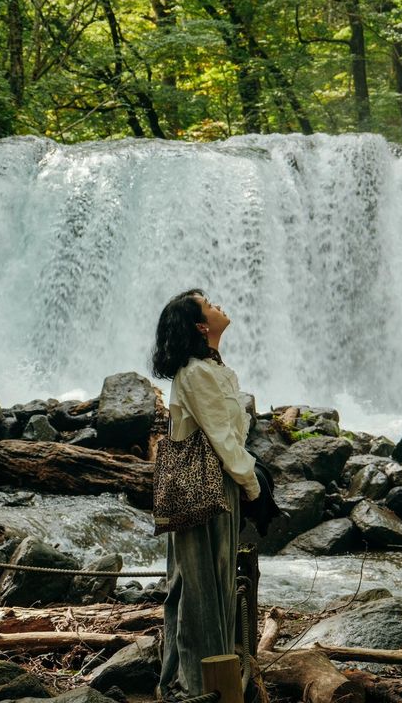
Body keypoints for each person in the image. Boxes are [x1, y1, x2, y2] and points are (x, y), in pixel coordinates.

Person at [152, 288, 260, 702]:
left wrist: (244, 480)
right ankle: (196, 686)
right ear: (201, 326)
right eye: (209, 305)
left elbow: (233, 431)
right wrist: (251, 484)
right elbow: (221, 438)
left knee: (212, 581)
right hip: (203, 489)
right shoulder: (196, 373)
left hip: (219, 485)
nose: (219, 306)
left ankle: (211, 678)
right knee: (200, 585)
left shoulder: (211, 369)